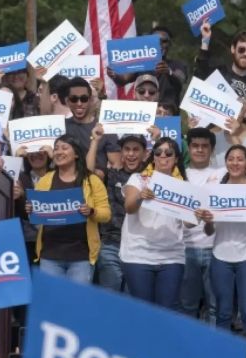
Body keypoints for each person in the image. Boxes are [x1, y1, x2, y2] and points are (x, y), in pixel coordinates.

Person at [25, 135, 111, 283]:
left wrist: (91, 211)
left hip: (81, 256)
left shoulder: (92, 181)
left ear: (76, 154)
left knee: (77, 303)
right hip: (50, 255)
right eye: (56, 148)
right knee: (53, 303)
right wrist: (32, 209)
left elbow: (106, 214)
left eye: (64, 148)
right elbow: (37, 219)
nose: (59, 152)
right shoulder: (45, 180)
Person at [201, 145, 246, 331]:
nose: (235, 163)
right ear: (226, 162)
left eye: (240, 159)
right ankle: (221, 357)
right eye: (231, 159)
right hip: (220, 256)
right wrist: (208, 221)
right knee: (223, 313)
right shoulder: (215, 191)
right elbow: (208, 232)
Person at [120, 137, 188, 309]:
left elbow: (189, 224)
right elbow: (129, 207)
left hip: (172, 256)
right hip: (138, 254)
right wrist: (140, 196)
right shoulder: (138, 179)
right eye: (158, 152)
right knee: (143, 313)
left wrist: (200, 216)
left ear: (176, 158)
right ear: (153, 157)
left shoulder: (184, 185)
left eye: (168, 153)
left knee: (166, 314)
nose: (163, 156)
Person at [88, 127, 148, 292]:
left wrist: (157, 139)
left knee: (132, 302)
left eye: (136, 149)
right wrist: (95, 141)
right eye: (127, 149)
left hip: (139, 247)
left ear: (145, 153)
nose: (131, 154)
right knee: (110, 300)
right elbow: (87, 173)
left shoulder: (151, 178)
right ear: (121, 152)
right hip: (111, 244)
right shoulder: (111, 175)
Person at [179, 128, 223, 324]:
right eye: (195, 146)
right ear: (188, 148)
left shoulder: (223, 174)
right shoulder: (179, 176)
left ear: (212, 149)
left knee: (216, 307)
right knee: (187, 306)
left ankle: (215, 352)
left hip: (216, 247)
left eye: (205, 146)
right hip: (185, 248)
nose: (199, 150)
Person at [194, 21, 246, 135]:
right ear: (233, 49)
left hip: (245, 145)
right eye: (241, 49)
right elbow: (199, 75)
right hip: (216, 140)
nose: (245, 54)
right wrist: (205, 40)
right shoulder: (218, 74)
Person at [61, 77, 121, 171]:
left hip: (97, 182)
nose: (79, 103)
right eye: (74, 99)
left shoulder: (104, 128)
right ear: (67, 101)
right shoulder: (61, 127)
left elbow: (116, 165)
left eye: (84, 99)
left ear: (91, 100)